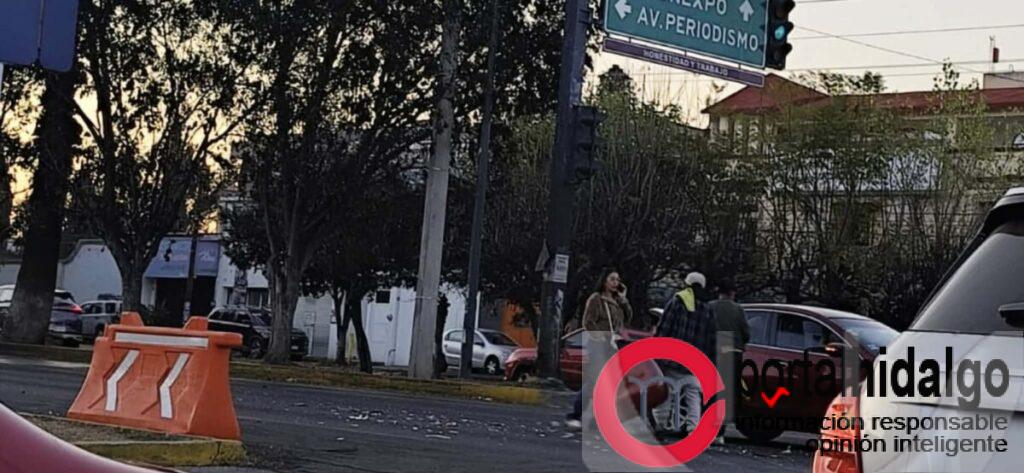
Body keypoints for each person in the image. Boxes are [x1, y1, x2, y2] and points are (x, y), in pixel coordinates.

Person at [566, 269, 633, 431]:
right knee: (593, 382)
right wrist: (601, 335)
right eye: (612, 279)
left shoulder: (617, 301)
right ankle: (575, 415)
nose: (615, 283)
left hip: (612, 344)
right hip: (598, 343)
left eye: (617, 280)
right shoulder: (596, 299)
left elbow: (628, 317)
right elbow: (588, 322)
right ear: (604, 281)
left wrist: (624, 300)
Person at [652, 272, 716, 439]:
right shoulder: (708, 309)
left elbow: (664, 328)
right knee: (693, 394)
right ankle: (693, 429)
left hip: (672, 358)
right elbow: (711, 339)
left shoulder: (677, 301)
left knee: (666, 392)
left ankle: (661, 425)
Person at [708, 279, 750, 445]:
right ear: (732, 293)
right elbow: (746, 333)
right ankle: (719, 432)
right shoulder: (738, 309)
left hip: (713, 351)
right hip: (732, 353)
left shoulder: (710, 307)